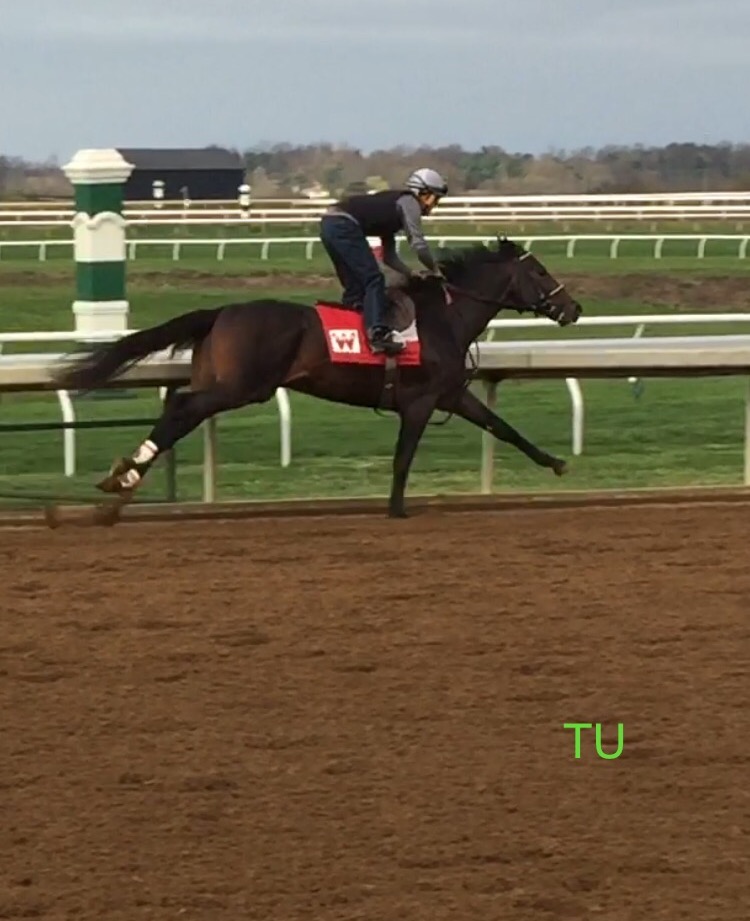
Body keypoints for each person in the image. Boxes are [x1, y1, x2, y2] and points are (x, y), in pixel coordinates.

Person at [319, 168, 448, 354]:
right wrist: (435, 269)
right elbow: (418, 244)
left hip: (329, 223)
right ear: (424, 192)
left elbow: (389, 257)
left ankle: (353, 330)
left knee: (355, 288)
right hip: (342, 224)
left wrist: (410, 273)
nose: (434, 205)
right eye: (435, 199)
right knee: (374, 279)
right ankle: (377, 334)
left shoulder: (391, 207)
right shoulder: (409, 202)